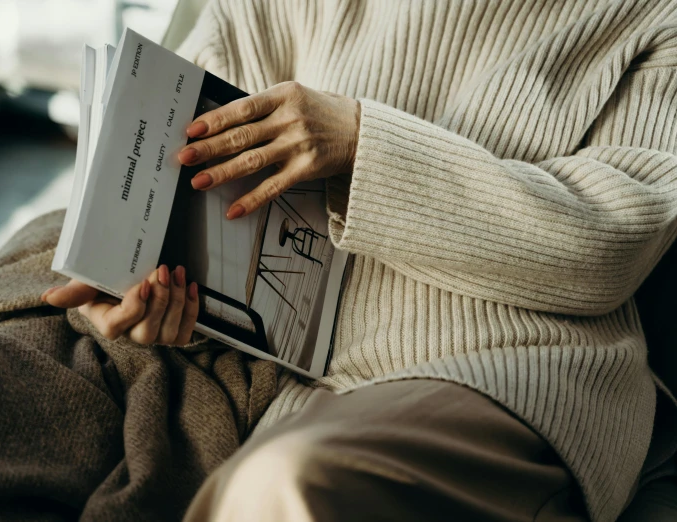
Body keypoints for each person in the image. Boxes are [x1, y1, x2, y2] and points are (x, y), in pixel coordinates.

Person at [37, 0, 677, 520]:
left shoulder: (652, 18)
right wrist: (153, 287)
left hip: (510, 367)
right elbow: (188, 153)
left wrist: (361, 143)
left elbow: (611, 244)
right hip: (285, 379)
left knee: (285, 489)